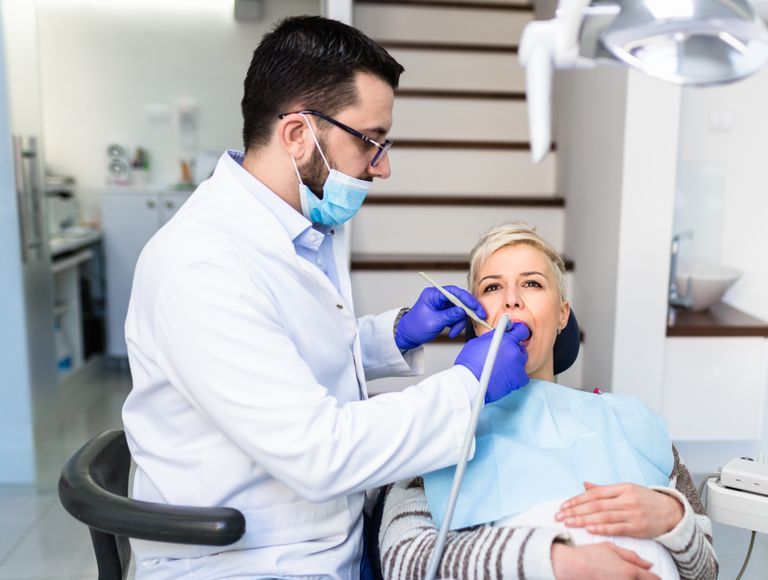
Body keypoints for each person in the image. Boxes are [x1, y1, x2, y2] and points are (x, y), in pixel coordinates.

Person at [121, 16, 532, 580]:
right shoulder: (201, 266)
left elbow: (285, 356)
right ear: (296, 135)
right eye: (371, 142)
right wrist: (467, 386)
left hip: (323, 533)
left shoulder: (297, 228)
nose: (383, 167)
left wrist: (396, 335)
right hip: (250, 562)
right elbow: (319, 453)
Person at [378, 223, 718, 580]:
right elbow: (405, 563)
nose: (512, 299)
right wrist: (554, 560)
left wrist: (673, 519)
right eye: (493, 287)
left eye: (532, 283)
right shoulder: (440, 424)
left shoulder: (631, 422)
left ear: (562, 315)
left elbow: (707, 570)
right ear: (477, 323)